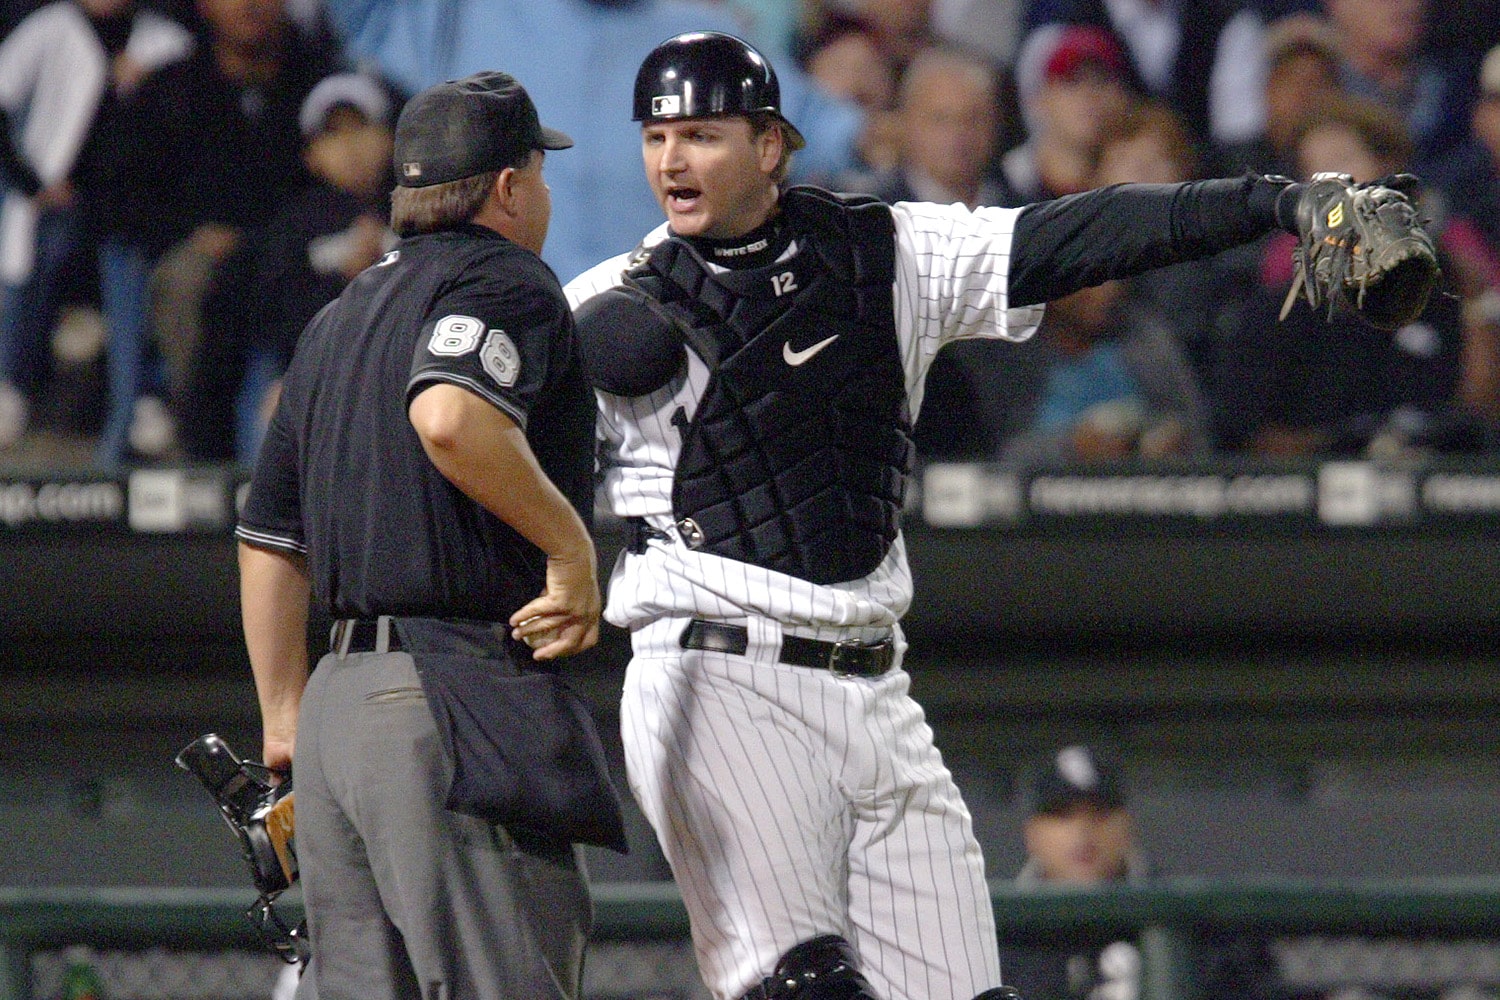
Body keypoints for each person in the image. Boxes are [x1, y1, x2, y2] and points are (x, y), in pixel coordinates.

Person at [562, 28, 1400, 1000]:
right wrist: (545, 563)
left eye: (701, 134)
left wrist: (1271, 201)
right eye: (657, 137)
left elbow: (1072, 236)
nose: (673, 159)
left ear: (770, 144)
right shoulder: (611, 307)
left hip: (874, 687)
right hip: (718, 671)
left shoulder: (884, 251)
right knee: (802, 986)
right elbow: (456, 425)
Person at [236, 70, 615, 999]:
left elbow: (267, 537)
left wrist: (285, 715)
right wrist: (571, 552)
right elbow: (450, 415)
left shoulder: (340, 315)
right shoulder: (508, 281)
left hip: (335, 711)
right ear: (510, 186)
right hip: (444, 703)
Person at [0, 0, 191, 451]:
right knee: (45, 257)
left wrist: (149, 86)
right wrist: (32, 185)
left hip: (131, 221)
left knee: (133, 294)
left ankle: (140, 401)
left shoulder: (163, 40)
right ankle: (13, 384)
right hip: (57, 211)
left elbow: (191, 122)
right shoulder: (52, 27)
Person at [1003, 745, 1288, 1000]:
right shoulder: (999, 937)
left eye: (1100, 813)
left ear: (1126, 825)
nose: (1083, 830)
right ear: (1032, 833)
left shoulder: (1200, 932)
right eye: (1062, 815)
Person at [238, 69, 399, 465]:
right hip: (311, 371)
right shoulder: (297, 223)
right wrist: (347, 279)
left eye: (360, 127)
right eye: (332, 134)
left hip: (395, 373)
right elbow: (271, 313)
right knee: (272, 404)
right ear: (311, 155)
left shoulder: (413, 213)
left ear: (390, 139)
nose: (350, 146)